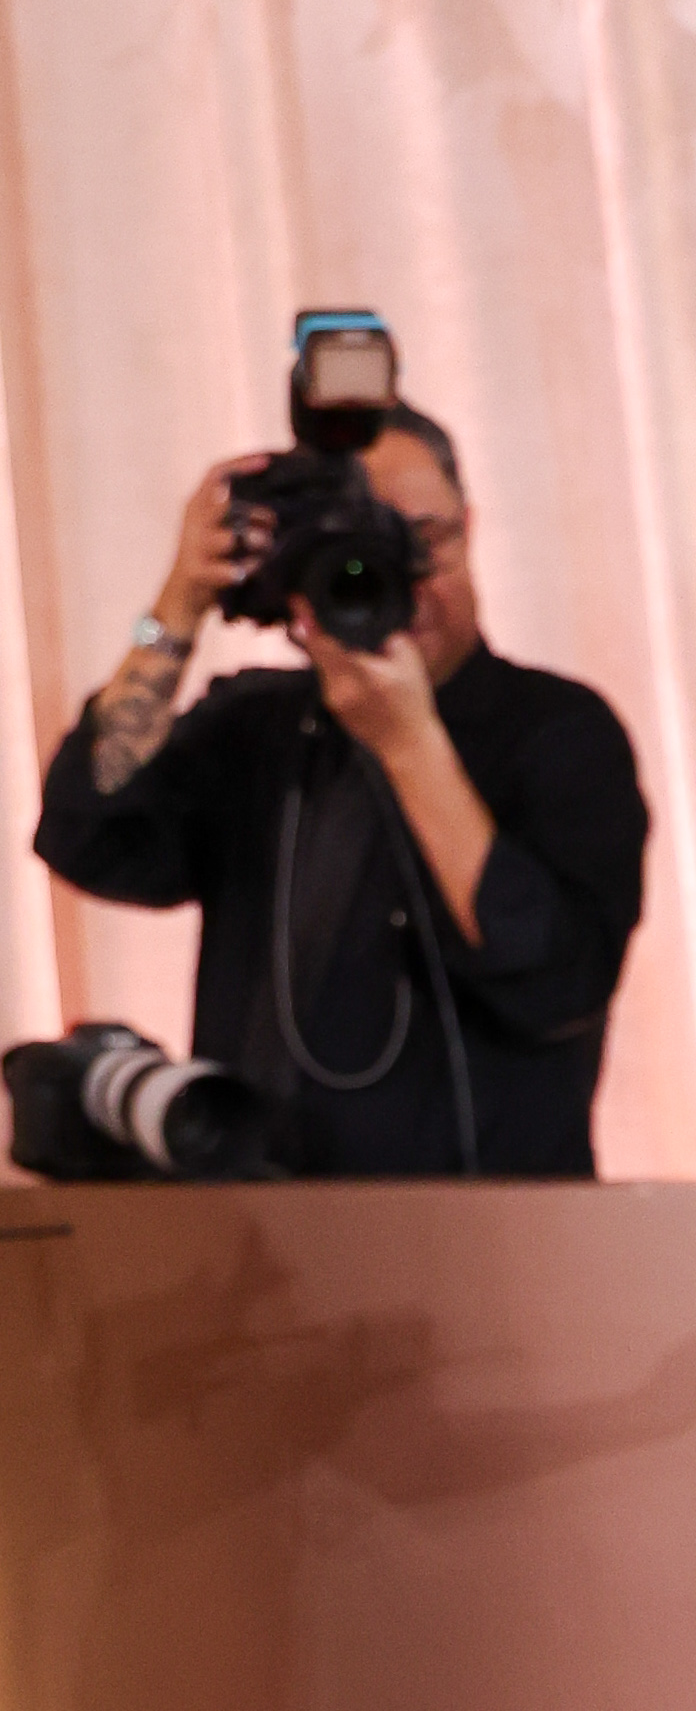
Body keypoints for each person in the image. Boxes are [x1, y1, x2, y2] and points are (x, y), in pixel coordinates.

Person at [35, 410, 645, 1173]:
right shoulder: (255, 722)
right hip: (263, 1223)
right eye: (357, 549)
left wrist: (410, 746)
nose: (401, 579)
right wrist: (177, 606)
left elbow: (558, 983)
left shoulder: (560, 729)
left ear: (470, 528)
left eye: (423, 541)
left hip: (492, 1229)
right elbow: (84, 834)